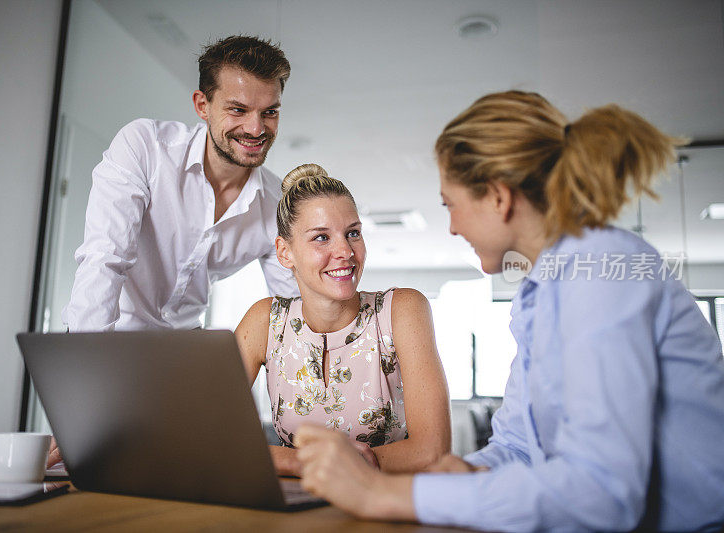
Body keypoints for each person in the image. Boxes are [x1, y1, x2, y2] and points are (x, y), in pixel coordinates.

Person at [293, 92, 724, 531]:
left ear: (498, 197)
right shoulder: (540, 294)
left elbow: (603, 493)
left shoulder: (602, 270)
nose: (452, 225)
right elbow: (519, 444)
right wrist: (465, 474)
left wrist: (384, 493)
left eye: (451, 204)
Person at [61, 35, 298, 332]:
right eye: (238, 110)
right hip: (110, 337)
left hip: (185, 348)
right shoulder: (146, 147)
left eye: (270, 112)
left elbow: (292, 309)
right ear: (202, 105)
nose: (256, 128)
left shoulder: (279, 205)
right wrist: (87, 357)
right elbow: (104, 258)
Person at [234, 163, 451, 476]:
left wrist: (310, 464)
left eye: (353, 233)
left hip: (388, 506)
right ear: (285, 253)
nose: (346, 252)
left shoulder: (402, 309)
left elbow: (432, 450)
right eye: (321, 237)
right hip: (297, 507)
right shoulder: (265, 320)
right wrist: (298, 462)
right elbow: (206, 434)